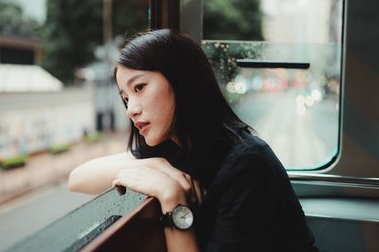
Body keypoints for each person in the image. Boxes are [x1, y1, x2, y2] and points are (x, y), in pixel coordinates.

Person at [68, 29, 318, 252]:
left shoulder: (248, 164)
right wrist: (153, 165)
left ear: (181, 80)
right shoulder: (170, 149)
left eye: (140, 88)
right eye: (125, 98)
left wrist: (172, 198)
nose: (130, 109)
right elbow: (78, 178)